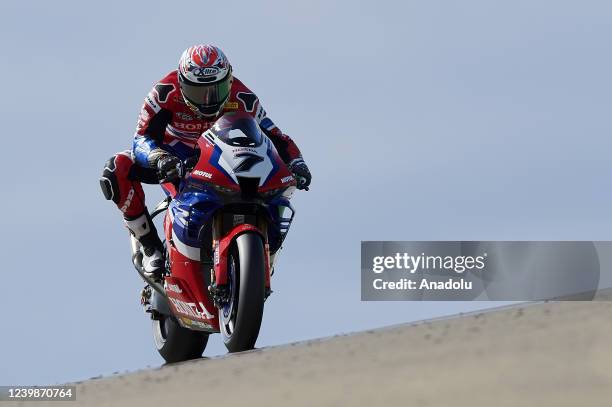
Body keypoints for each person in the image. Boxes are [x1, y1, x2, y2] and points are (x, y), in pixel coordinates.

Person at [100, 44, 311, 279]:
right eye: (198, 92)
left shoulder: (244, 97)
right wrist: (158, 157)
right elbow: (142, 138)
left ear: (229, 80)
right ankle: (150, 246)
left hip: (223, 160)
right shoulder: (164, 93)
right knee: (116, 169)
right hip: (175, 159)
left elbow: (275, 137)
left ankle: (267, 251)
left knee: (274, 194)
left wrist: (296, 163)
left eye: (217, 89)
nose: (209, 100)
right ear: (181, 83)